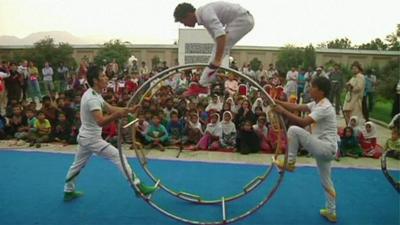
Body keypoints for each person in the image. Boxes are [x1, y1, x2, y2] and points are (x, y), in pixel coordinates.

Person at [63, 65, 157, 202]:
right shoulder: (92, 99)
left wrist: (128, 110)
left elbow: (110, 108)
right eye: (103, 76)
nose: (106, 78)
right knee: (119, 157)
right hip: (91, 139)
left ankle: (68, 191)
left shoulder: (94, 94)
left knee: (77, 165)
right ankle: (138, 187)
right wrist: (118, 115)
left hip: (86, 137)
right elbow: (101, 121)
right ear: (95, 80)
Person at [272, 76, 338, 222]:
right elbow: (296, 107)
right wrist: (276, 102)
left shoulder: (324, 107)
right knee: (326, 181)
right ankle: (331, 212)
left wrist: (282, 111)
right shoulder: (317, 103)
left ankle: (290, 162)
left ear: (320, 91)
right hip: (326, 149)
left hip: (325, 148)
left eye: (312, 87)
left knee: (294, 130)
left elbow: (303, 122)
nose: (309, 89)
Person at [174, 2, 254, 96]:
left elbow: (221, 36)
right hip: (240, 19)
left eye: (184, 22)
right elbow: (217, 39)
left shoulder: (206, 15)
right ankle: (204, 83)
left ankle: (203, 84)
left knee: (220, 50)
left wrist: (217, 59)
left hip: (243, 20)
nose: (185, 25)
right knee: (218, 50)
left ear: (188, 15)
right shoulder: (203, 15)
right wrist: (215, 61)